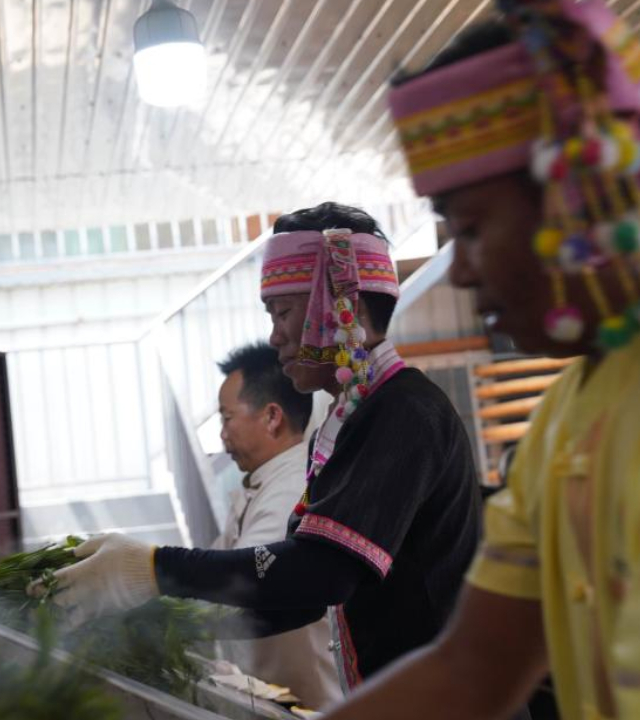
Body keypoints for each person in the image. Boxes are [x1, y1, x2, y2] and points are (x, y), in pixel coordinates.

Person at [323, 1, 640, 719]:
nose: (465, 274)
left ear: (585, 202)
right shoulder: (576, 411)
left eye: (472, 230)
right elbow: (472, 667)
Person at [31, 202, 484, 696]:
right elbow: (295, 601)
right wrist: (161, 620)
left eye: (283, 312)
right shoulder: (354, 416)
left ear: (334, 307)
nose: (274, 337)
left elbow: (320, 574)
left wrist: (154, 568)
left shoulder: (403, 412)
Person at [211, 342, 342, 710]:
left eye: (227, 418)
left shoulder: (292, 490)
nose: (222, 435)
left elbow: (233, 579)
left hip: (313, 703)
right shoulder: (260, 483)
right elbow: (211, 558)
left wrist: (146, 575)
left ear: (272, 417)